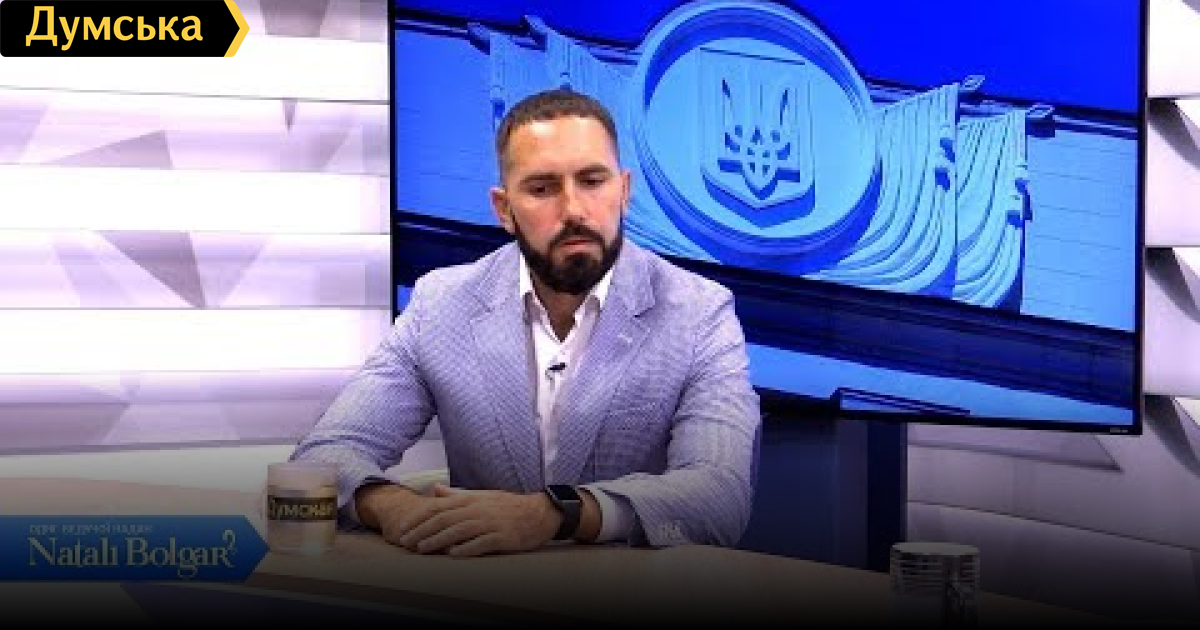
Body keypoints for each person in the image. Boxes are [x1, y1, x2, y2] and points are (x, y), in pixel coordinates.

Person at [290, 88, 760, 557]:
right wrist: (392, 507)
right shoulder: (442, 304)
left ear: (624, 191)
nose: (574, 210)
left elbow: (720, 494)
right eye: (542, 189)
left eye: (592, 181)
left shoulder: (698, 312)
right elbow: (322, 456)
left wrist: (555, 514)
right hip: (477, 588)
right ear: (504, 210)